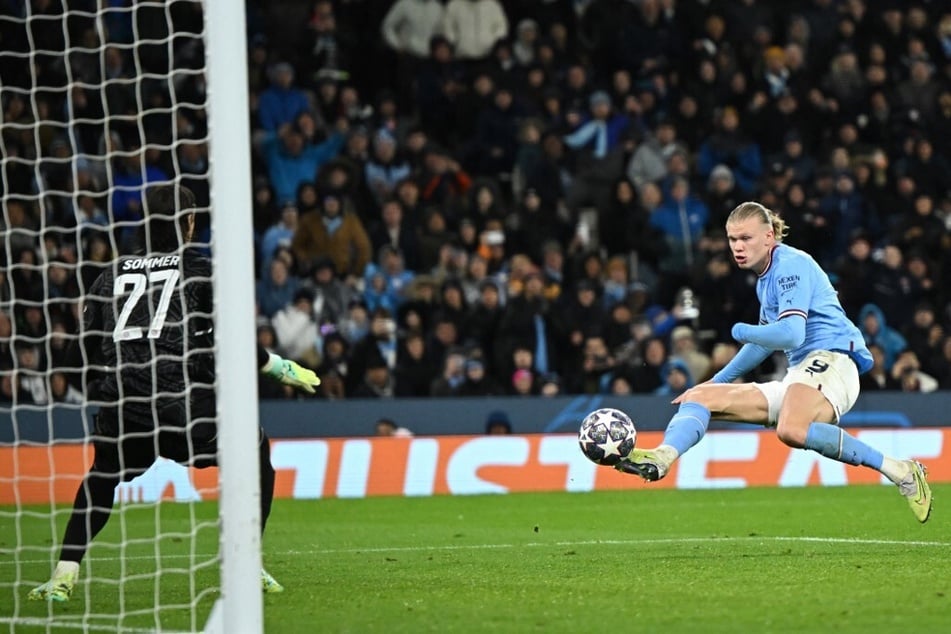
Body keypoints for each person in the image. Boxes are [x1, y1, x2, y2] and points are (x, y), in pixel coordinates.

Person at [29, 185, 321, 602]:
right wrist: (280, 367)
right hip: (181, 409)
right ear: (187, 222)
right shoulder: (199, 270)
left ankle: (63, 575)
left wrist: (112, 382)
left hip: (124, 409)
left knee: (101, 477)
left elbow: (84, 351)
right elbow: (231, 339)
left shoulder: (108, 275)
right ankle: (246, 565)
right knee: (254, 450)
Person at [616, 201, 933, 523]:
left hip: (834, 359)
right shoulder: (766, 279)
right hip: (802, 372)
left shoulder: (791, 266)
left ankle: (900, 470)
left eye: (746, 238)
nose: (738, 247)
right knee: (700, 398)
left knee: (791, 429)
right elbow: (762, 345)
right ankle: (662, 457)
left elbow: (791, 335)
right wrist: (715, 382)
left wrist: (740, 330)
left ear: (768, 237)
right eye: (732, 240)